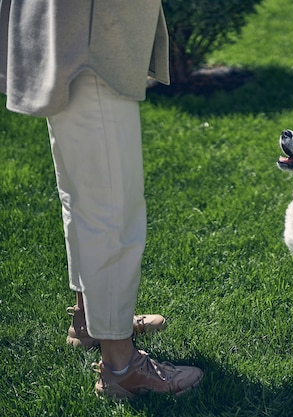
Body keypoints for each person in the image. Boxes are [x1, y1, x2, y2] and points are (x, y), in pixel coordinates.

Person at [0, 0, 203, 399]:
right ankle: (122, 367)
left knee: (82, 194)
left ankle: (90, 320)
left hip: (68, 29)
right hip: (90, 35)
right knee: (112, 210)